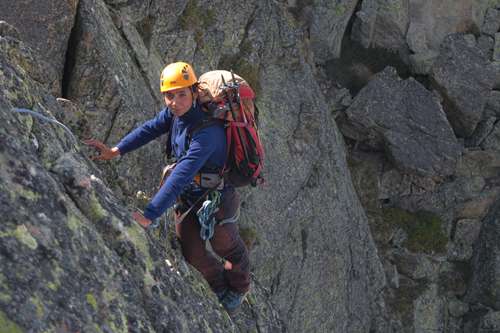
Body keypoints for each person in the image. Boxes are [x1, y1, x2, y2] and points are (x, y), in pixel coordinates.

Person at [84, 62, 250, 312]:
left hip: (217, 198)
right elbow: (149, 129)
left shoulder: (209, 132)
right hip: (189, 196)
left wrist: (148, 215)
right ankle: (219, 287)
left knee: (224, 245)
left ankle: (238, 287)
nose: (175, 101)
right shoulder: (174, 115)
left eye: (182, 94)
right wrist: (116, 151)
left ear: (195, 92)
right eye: (169, 96)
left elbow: (181, 174)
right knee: (193, 254)